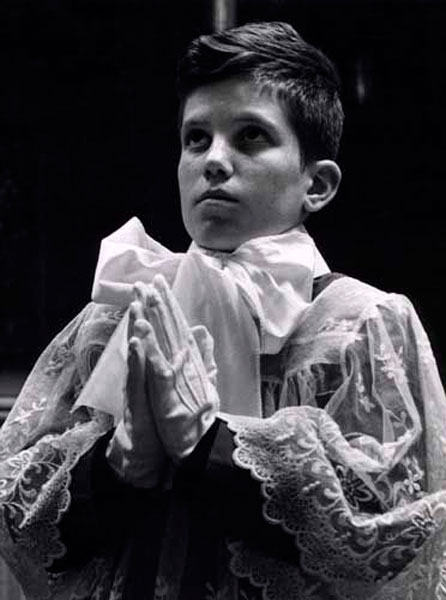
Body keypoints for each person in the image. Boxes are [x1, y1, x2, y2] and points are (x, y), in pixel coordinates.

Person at [1, 20, 446, 600]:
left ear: (317, 184)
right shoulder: (112, 320)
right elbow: (21, 520)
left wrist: (208, 445)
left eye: (251, 137)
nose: (214, 159)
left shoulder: (360, 324)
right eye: (195, 138)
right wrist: (118, 470)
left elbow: (389, 529)